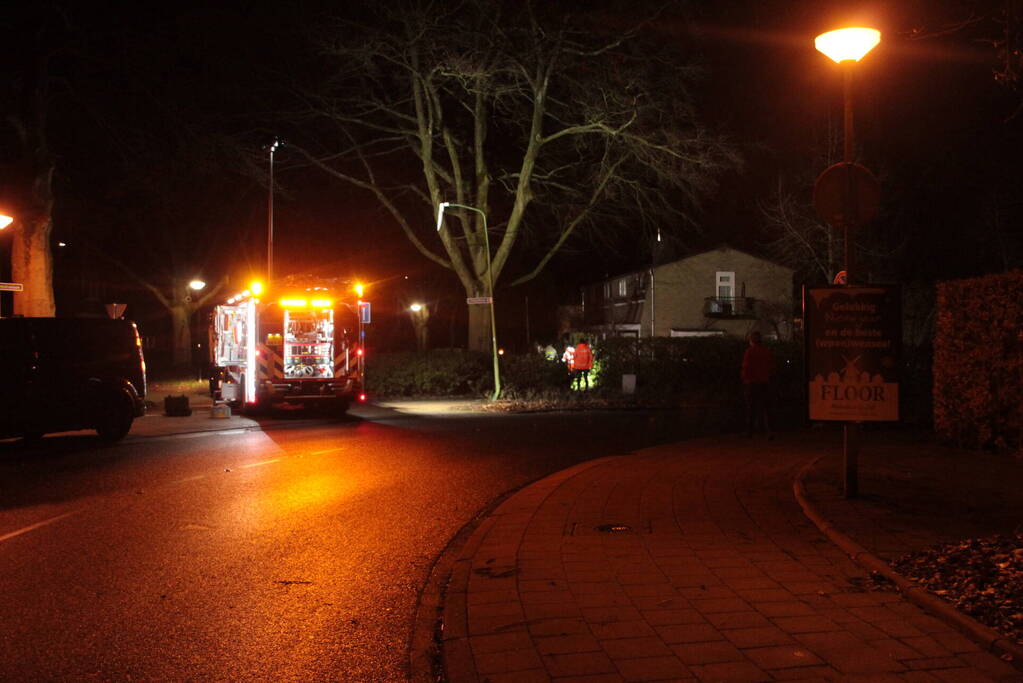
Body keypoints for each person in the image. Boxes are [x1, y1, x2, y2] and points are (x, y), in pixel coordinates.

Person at [741, 331, 774, 438]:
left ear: (751, 341)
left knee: (751, 408)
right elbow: (771, 367)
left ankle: (750, 431)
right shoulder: (766, 351)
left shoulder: (749, 352)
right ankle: (767, 430)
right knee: (765, 408)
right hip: (764, 382)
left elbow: (746, 368)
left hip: (752, 383)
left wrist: (745, 378)